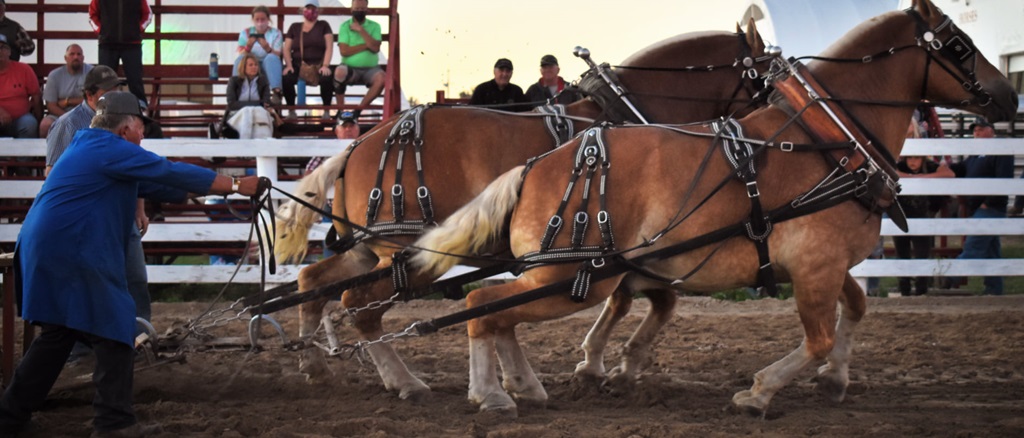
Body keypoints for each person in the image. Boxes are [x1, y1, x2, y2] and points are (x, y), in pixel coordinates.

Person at [0, 91, 263, 438]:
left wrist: (208, 190)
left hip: (47, 246)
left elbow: (161, 182)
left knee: (59, 335)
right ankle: (113, 424)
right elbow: (167, 170)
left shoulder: (93, 147)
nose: (143, 135)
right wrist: (235, 184)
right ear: (124, 129)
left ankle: (10, 417)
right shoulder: (108, 148)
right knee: (115, 325)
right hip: (68, 248)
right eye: (141, 127)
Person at [947, 116, 1015, 295]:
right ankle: (994, 290)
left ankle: (947, 277)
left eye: (981, 129)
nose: (976, 132)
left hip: (990, 208)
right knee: (991, 251)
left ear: (991, 130)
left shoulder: (1000, 150)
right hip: (979, 208)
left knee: (974, 246)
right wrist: (944, 168)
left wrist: (988, 202)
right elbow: (962, 168)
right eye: (975, 130)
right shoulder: (976, 153)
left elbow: (1004, 178)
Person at [894, 120, 953, 296]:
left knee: (922, 255)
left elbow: (949, 173)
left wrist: (925, 176)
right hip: (902, 217)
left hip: (923, 216)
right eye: (910, 158)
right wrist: (915, 178)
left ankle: (921, 291)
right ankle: (904, 290)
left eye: (916, 158)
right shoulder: (901, 166)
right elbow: (891, 171)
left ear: (922, 158)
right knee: (902, 254)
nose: (913, 162)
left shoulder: (929, 165)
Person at [304, 110, 361, 260]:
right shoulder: (327, 150)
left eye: (351, 126)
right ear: (337, 130)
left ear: (357, 128)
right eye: (344, 127)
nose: (348, 130)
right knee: (330, 240)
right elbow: (309, 173)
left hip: (357, 204)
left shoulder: (364, 147)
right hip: (333, 204)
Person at [89, 0, 152, 106]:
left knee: (135, 80)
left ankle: (141, 110)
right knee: (105, 81)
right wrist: (101, 31)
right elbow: (92, 15)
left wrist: (137, 29)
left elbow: (148, 14)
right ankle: (104, 109)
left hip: (132, 45)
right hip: (107, 44)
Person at [333, 0, 384, 119]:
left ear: (367, 9)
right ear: (351, 9)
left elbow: (375, 48)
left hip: (371, 69)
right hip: (350, 68)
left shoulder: (375, 26)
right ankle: (341, 111)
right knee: (339, 72)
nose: (359, 11)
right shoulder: (345, 26)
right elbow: (344, 51)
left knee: (382, 78)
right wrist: (366, 45)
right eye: (357, 8)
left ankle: (358, 110)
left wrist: (361, 30)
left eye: (362, 9)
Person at [282, 0, 334, 116]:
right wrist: (289, 65)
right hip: (297, 64)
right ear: (302, 10)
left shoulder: (323, 25)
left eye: (313, 9)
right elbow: (286, 48)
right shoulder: (294, 27)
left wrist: (325, 65)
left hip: (318, 64)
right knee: (286, 78)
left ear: (319, 11)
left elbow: (329, 47)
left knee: (326, 78)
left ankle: (326, 109)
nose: (310, 11)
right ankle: (291, 109)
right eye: (308, 8)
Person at [219, 53, 279, 139]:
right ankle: (245, 140)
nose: (254, 67)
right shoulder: (234, 81)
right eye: (250, 65)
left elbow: (266, 102)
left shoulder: (263, 81)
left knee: (258, 116)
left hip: (257, 114)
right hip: (237, 114)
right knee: (247, 112)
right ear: (244, 67)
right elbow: (232, 104)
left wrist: (256, 105)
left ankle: (264, 141)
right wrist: (257, 104)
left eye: (255, 65)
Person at [40, 44, 93, 138]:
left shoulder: (92, 72)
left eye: (79, 54)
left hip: (87, 114)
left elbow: (95, 99)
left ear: (83, 57)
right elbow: (51, 105)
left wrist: (67, 101)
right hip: (60, 115)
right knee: (45, 125)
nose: (76, 57)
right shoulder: (54, 75)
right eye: (72, 54)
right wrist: (68, 118)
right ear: (65, 58)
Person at [235, 5, 284, 106]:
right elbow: (240, 52)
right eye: (257, 19)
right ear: (253, 19)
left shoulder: (276, 33)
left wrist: (267, 48)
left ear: (268, 19)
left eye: (263, 19)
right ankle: (235, 90)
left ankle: (277, 92)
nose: (260, 22)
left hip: (268, 66)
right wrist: (248, 47)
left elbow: (278, 54)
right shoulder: (246, 32)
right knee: (240, 58)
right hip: (250, 64)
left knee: (271, 57)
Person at [0, 34, 41, 139]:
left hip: (21, 119)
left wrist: (39, 119)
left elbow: (36, 96)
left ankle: (25, 156)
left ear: (9, 52)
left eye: (2, 47)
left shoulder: (24, 69)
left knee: (30, 124)